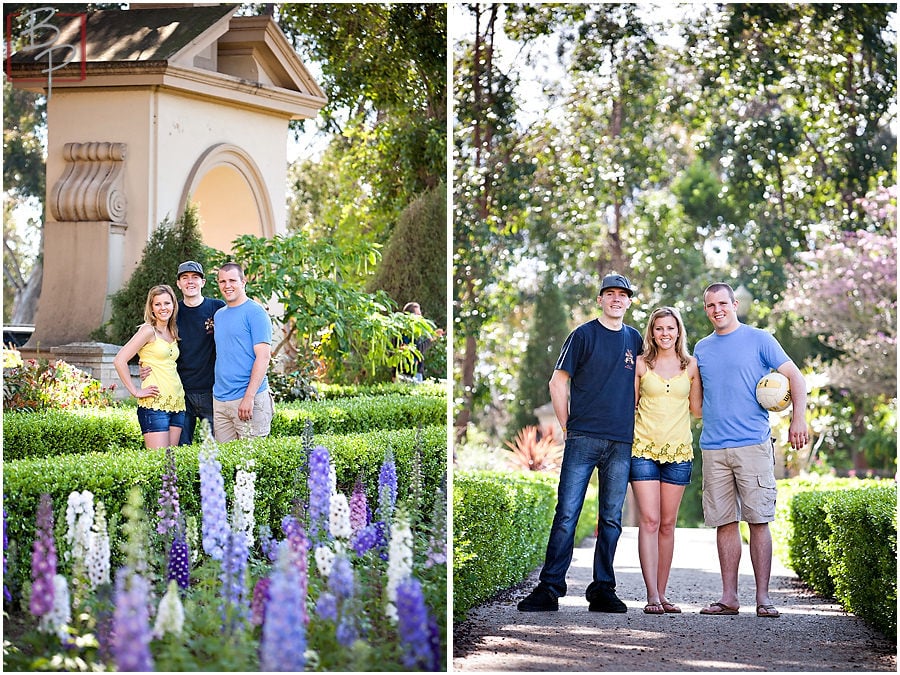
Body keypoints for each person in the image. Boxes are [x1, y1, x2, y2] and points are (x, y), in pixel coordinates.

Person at [517, 273, 643, 613]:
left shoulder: (634, 339)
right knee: (567, 514)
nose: (617, 299)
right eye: (610, 294)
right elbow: (557, 382)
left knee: (612, 518)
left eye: (623, 294)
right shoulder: (583, 335)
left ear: (629, 301)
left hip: (621, 442)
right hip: (583, 438)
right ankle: (550, 589)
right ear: (600, 299)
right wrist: (566, 425)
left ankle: (602, 589)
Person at [694, 282, 808, 619]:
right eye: (711, 305)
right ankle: (728, 598)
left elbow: (795, 378)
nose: (717, 310)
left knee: (759, 520)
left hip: (753, 446)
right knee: (724, 522)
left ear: (735, 304)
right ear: (706, 309)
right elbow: (697, 405)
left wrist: (797, 419)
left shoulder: (760, 339)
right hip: (713, 448)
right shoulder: (700, 348)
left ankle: (763, 598)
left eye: (723, 304)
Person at [630, 306, 702, 615]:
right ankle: (651, 596)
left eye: (670, 328)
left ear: (678, 331)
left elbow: (697, 409)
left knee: (668, 524)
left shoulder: (692, 366)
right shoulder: (641, 365)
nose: (665, 333)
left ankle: (663, 593)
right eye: (659, 328)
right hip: (643, 450)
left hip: (679, 453)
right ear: (652, 331)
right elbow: (630, 405)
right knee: (650, 520)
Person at [141, 261, 226, 445]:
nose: (190, 282)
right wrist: (145, 365)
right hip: (181, 393)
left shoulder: (217, 308)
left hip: (211, 391)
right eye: (185, 278)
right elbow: (153, 345)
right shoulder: (172, 313)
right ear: (178, 283)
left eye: (195, 277)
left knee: (213, 452)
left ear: (203, 282)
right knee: (180, 451)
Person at [113, 285, 186, 449]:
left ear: (173, 305)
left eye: (167, 303)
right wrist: (135, 391)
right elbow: (120, 360)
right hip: (154, 405)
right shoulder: (147, 330)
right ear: (151, 308)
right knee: (159, 462)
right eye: (158, 304)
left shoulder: (172, 331)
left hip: (177, 403)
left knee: (171, 463)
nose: (163, 308)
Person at [212, 262, 274, 443]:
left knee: (251, 465)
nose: (227, 285)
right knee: (225, 464)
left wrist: (249, 397)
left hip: (248, 400)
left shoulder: (255, 312)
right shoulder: (219, 315)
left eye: (232, 280)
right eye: (222, 281)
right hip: (221, 401)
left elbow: (263, 357)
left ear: (243, 281)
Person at [394, 301, 444, 383]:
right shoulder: (406, 332)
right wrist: (432, 338)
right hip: (410, 373)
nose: (421, 317)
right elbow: (417, 351)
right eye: (418, 314)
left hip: (409, 372)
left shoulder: (405, 330)